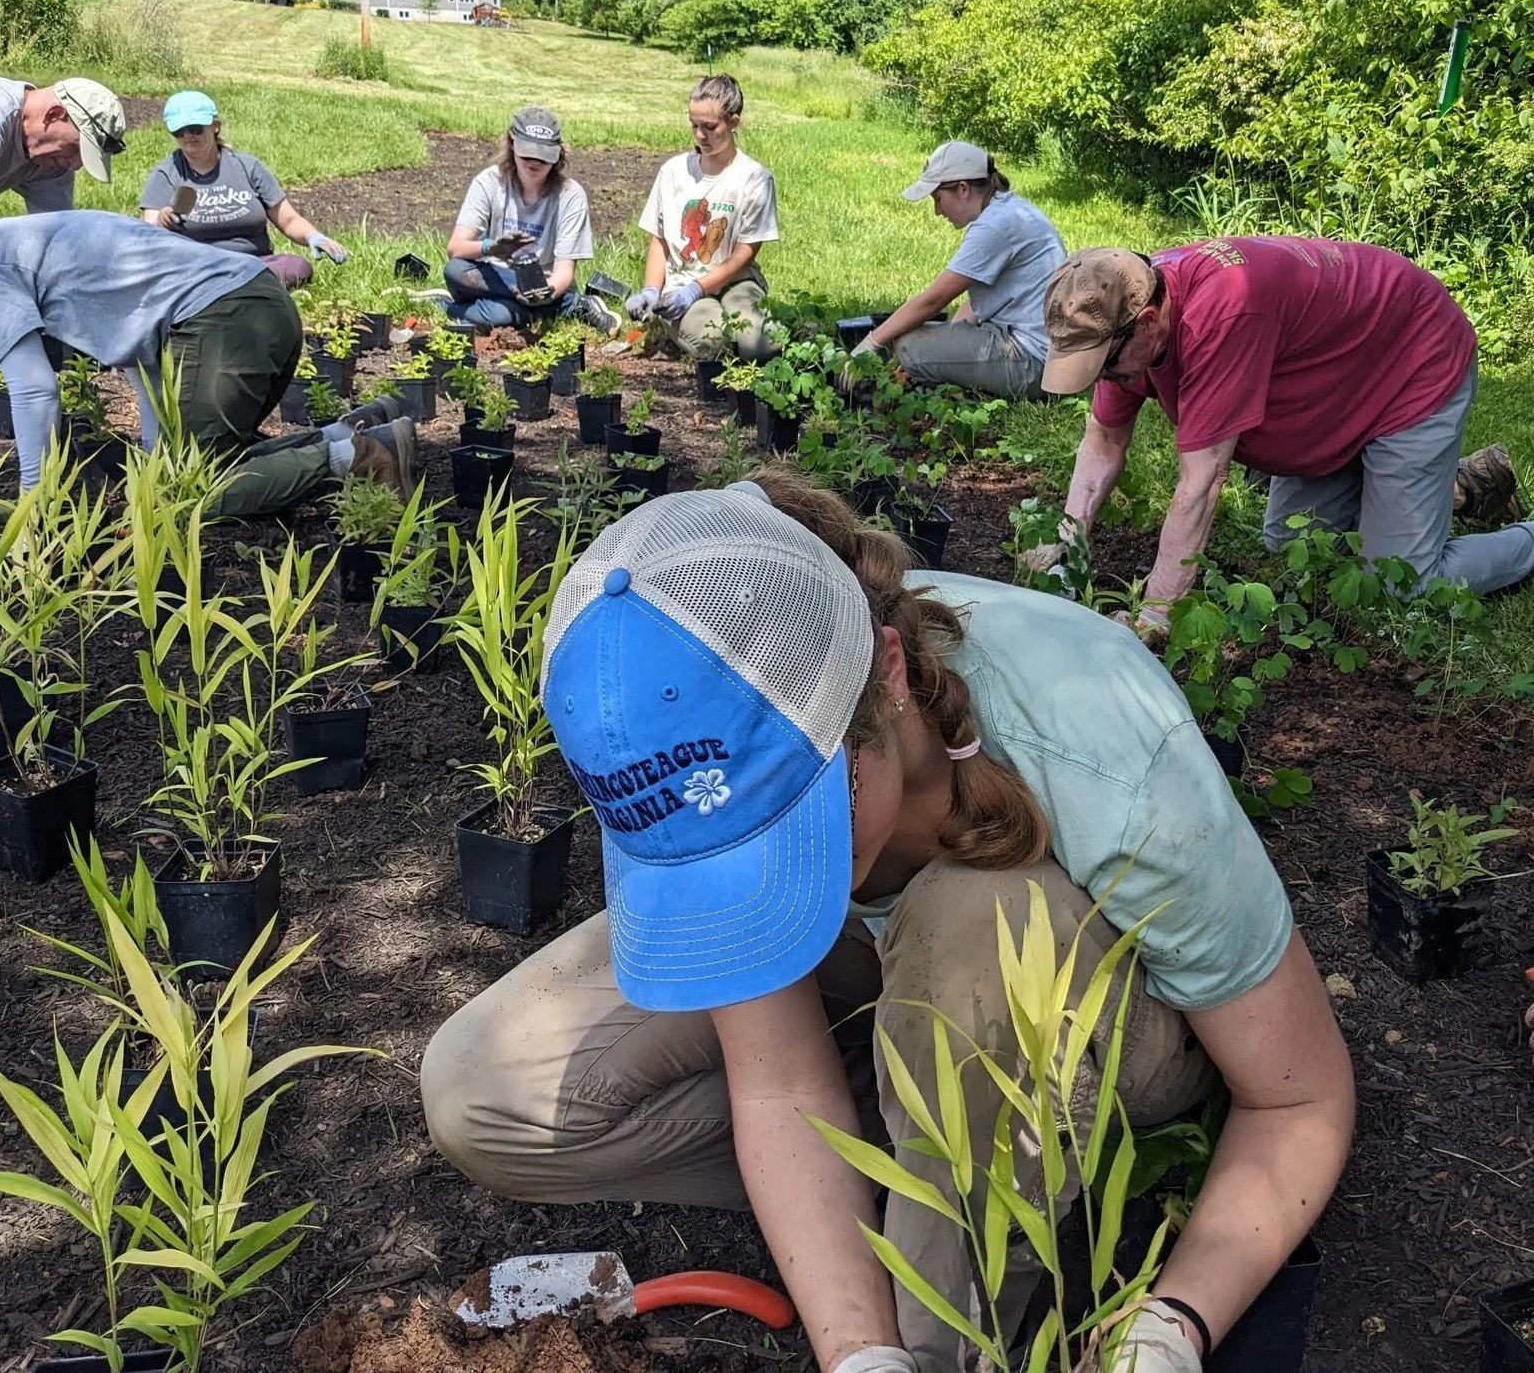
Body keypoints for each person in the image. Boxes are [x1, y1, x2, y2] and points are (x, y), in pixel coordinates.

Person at [420, 471, 1355, 1373]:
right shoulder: (712, 678)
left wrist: (1172, 1325)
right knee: (483, 1094)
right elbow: (778, 1083)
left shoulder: (1099, 738)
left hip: (1111, 1023)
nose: (771, 869)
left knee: (971, 914)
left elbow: (1299, 1099)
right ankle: (917, 1156)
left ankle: (958, 1286)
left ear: (893, 677)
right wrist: (857, 1351)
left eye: (795, 826)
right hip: (903, 988)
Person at [1032, 239, 1533, 629]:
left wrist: (1156, 613)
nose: (1100, 379)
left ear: (1145, 324)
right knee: (1296, 548)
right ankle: (1458, 488)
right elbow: (1102, 445)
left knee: (1394, 588)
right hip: (1338, 385)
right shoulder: (1125, 310)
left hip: (1411, 359)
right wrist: (1068, 561)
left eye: (1102, 364)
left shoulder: (1222, 314)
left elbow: (1202, 482)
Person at [0, 212, 416, 518]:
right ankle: (351, 431)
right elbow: (137, 354)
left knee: (185, 492)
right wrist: (155, 456)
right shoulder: (31, 238)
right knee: (191, 465)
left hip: (226, 319)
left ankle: (361, 456)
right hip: (259, 304)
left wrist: (33, 509)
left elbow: (34, 389)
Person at [857, 140, 1065, 397]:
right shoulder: (1008, 209)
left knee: (908, 345)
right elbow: (976, 299)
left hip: (1033, 365)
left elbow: (933, 300)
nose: (937, 211)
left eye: (938, 198)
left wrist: (872, 341)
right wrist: (948, 346)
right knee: (924, 338)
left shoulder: (994, 227)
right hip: (1045, 358)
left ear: (963, 189)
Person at [626, 74, 779, 362]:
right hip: (681, 284)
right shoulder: (673, 172)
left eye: (709, 127)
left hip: (736, 281)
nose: (699, 135)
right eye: (694, 125)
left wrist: (700, 288)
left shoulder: (755, 178)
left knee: (763, 344)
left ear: (733, 123)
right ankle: (677, 322)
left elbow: (746, 251)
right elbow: (659, 239)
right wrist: (651, 290)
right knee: (712, 343)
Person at [138, 90, 348, 290]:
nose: (187, 136)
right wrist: (162, 221)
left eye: (195, 128)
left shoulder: (247, 167)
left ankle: (229, 288)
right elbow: (147, 235)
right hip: (195, 268)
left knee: (297, 267)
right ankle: (237, 289)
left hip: (254, 263)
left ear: (215, 126)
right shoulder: (166, 173)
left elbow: (288, 220)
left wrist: (314, 237)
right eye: (178, 131)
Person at [444, 105, 619, 333]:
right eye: (527, 153)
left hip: (547, 286)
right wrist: (492, 248)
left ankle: (448, 307)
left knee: (499, 315)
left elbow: (564, 271)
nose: (534, 162)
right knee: (455, 270)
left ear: (558, 155)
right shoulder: (488, 182)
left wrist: (543, 293)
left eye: (544, 157)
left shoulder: (570, 195)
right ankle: (567, 307)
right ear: (511, 143)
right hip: (496, 277)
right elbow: (455, 248)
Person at [0, 77, 126, 211]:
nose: (75, 165)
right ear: (54, 115)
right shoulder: (1, 114)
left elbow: (54, 226)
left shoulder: (51, 164)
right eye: (74, 148)